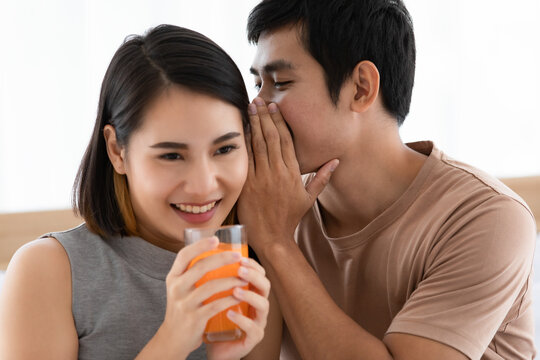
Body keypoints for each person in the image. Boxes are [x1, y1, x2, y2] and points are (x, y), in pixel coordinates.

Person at [237, 0, 537, 359]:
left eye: (280, 83)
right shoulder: (269, 203)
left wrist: (275, 244)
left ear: (362, 88)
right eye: (257, 84)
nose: (255, 107)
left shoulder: (487, 217)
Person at [0, 25, 273, 360]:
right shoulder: (50, 270)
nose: (203, 185)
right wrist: (172, 340)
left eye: (225, 149)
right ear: (117, 151)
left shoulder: (254, 266)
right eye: (171, 155)